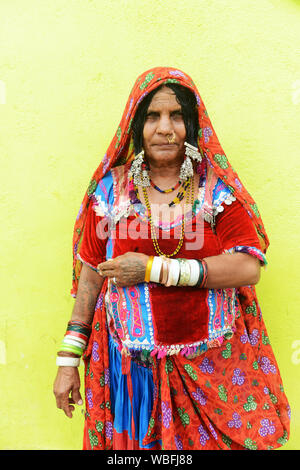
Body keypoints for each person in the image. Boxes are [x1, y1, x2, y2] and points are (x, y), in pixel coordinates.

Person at [53, 67, 290, 450]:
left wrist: (151, 268)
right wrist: (68, 360)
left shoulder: (215, 189)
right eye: (152, 116)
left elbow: (249, 266)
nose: (166, 128)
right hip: (132, 373)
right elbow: (91, 276)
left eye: (176, 115)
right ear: (135, 125)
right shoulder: (111, 192)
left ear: (192, 125)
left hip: (212, 366)